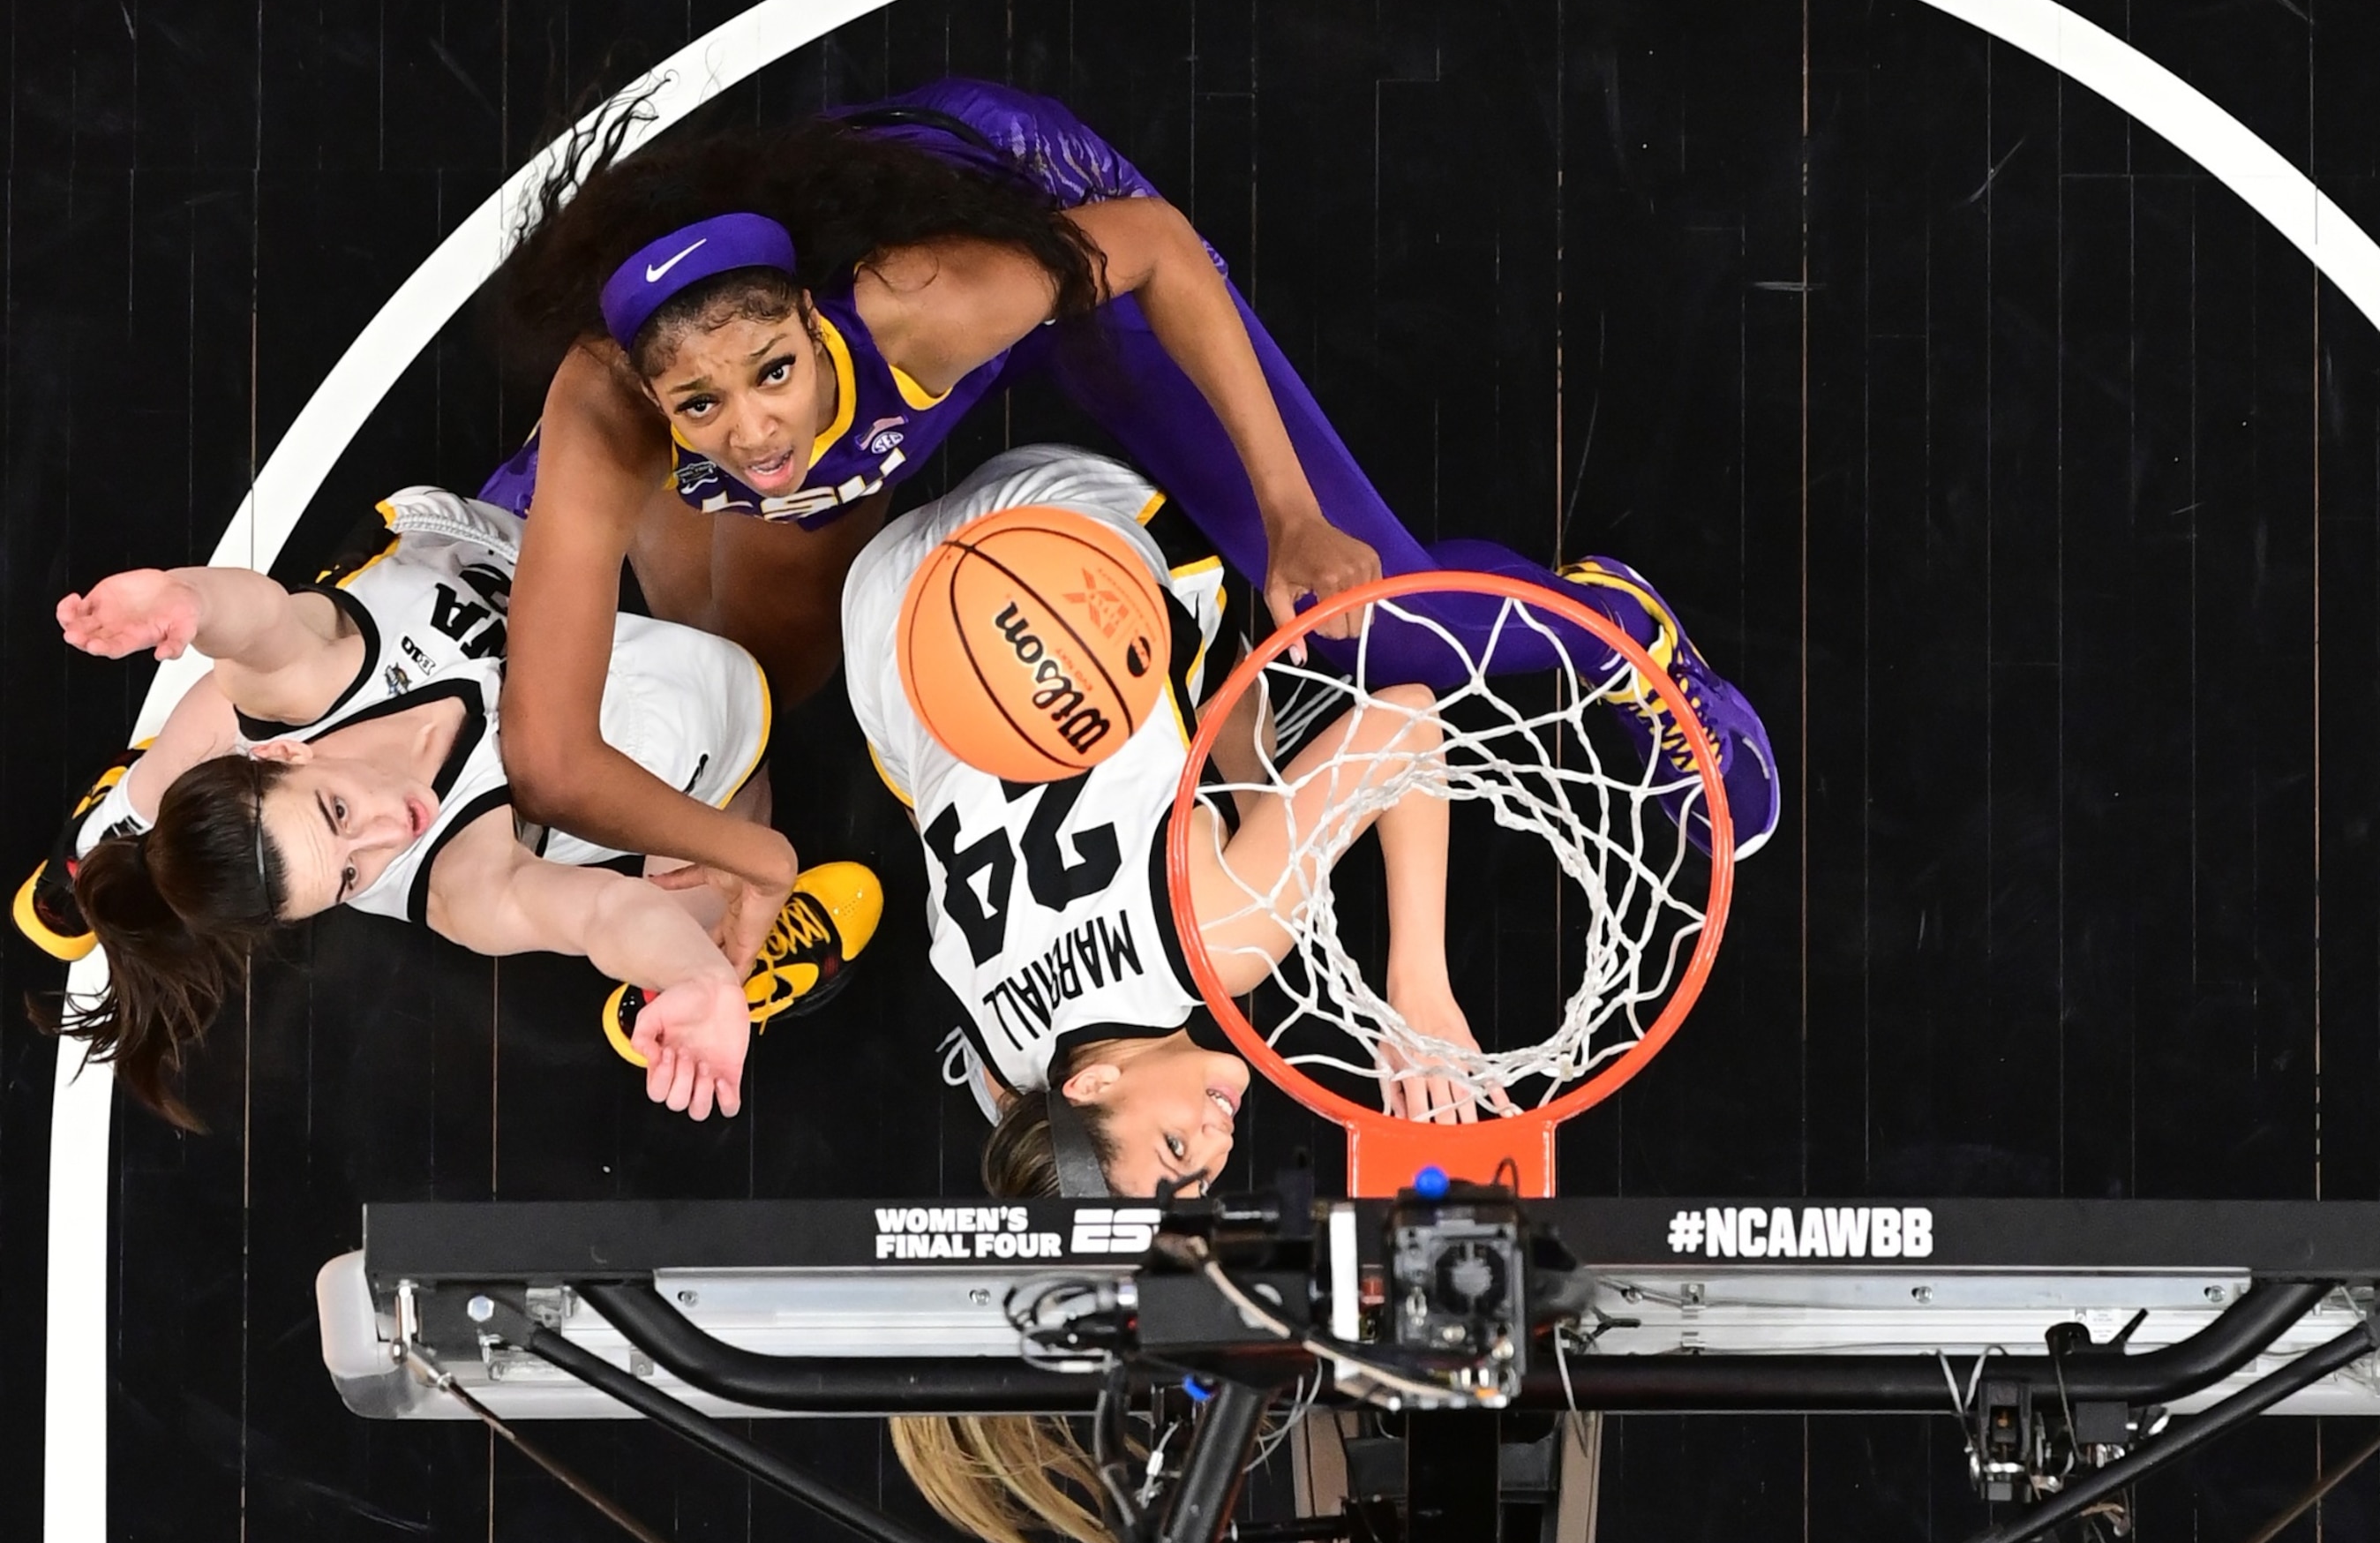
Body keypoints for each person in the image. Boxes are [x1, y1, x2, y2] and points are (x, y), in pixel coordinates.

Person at [482, 75, 1778, 982]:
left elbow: (1153, 249)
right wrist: (734, 853)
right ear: (647, 394)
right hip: (859, 328)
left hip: (1044, 224)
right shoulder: (606, 411)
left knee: (1377, 625)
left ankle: (1614, 627)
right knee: (745, 659)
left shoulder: (921, 299)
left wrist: (1290, 516)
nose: (751, 431)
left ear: (808, 326)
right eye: (700, 405)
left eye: (772, 375)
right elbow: (541, 746)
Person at [16, 488, 882, 1127]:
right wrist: (695, 977)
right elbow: (606, 909)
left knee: (202, 719)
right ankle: (701, 981)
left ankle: (111, 826)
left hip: (482, 544)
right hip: (615, 698)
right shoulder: (455, 885)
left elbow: (253, 620)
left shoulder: (296, 686)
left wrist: (184, 597)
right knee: (721, 750)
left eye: (340, 818)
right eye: (353, 876)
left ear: (288, 751)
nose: (399, 830)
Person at [845, 445, 1499, 1201]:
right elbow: (1018, 1122)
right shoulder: (1004, 1069)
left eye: (1175, 1146)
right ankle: (1251, 765)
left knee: (1242, 792)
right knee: (948, 779)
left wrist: (1418, 985)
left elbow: (1408, 720)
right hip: (884, 605)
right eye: (1200, 1184)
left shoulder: (1226, 944)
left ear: (1092, 1084)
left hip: (1054, 525)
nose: (1216, 1150)